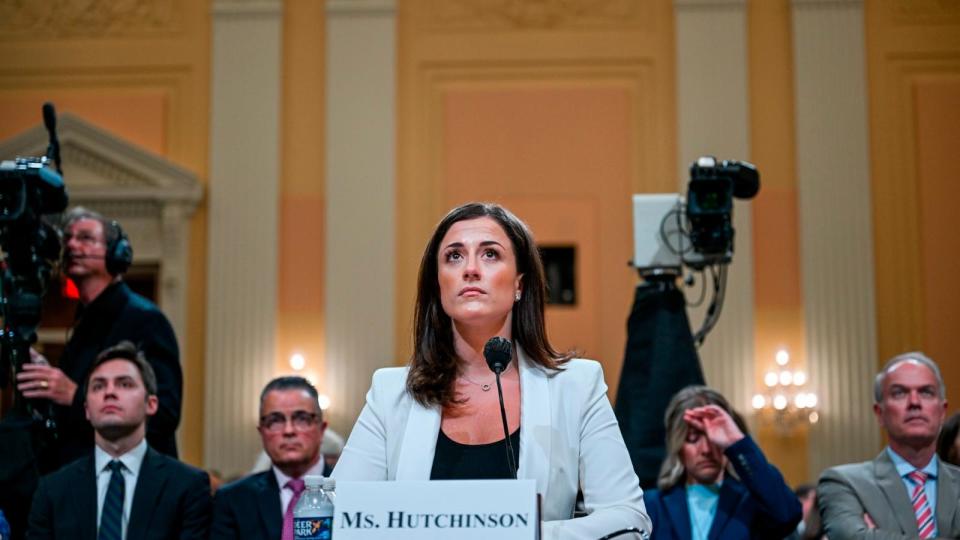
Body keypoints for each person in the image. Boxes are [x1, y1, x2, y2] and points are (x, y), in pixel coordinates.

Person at [332, 202, 651, 539]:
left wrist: (519, 532)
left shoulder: (577, 385)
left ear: (519, 285)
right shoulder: (390, 392)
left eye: (490, 255)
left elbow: (628, 518)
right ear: (438, 285)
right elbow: (336, 511)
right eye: (454, 256)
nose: (470, 269)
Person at [17, 207, 182, 467]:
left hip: (137, 483)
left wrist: (75, 395)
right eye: (68, 238)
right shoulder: (83, 323)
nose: (71, 245)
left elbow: (166, 413)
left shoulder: (146, 319)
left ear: (116, 254)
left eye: (85, 238)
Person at [27, 341, 210, 539]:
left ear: (151, 404)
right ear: (87, 409)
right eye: (98, 386)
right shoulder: (52, 491)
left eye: (125, 384)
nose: (109, 392)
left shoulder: (187, 486)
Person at [818, 352, 960, 538]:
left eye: (926, 392)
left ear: (942, 411)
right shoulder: (844, 483)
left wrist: (876, 535)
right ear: (879, 413)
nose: (914, 402)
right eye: (899, 393)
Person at [642, 385, 801, 539]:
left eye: (715, 439)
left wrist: (737, 442)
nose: (706, 449)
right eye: (693, 438)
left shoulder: (751, 502)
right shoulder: (653, 506)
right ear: (678, 445)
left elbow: (788, 515)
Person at [210, 376, 329, 540]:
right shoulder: (233, 500)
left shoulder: (351, 491)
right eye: (275, 421)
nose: (288, 430)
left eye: (302, 419)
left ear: (322, 429)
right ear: (262, 432)